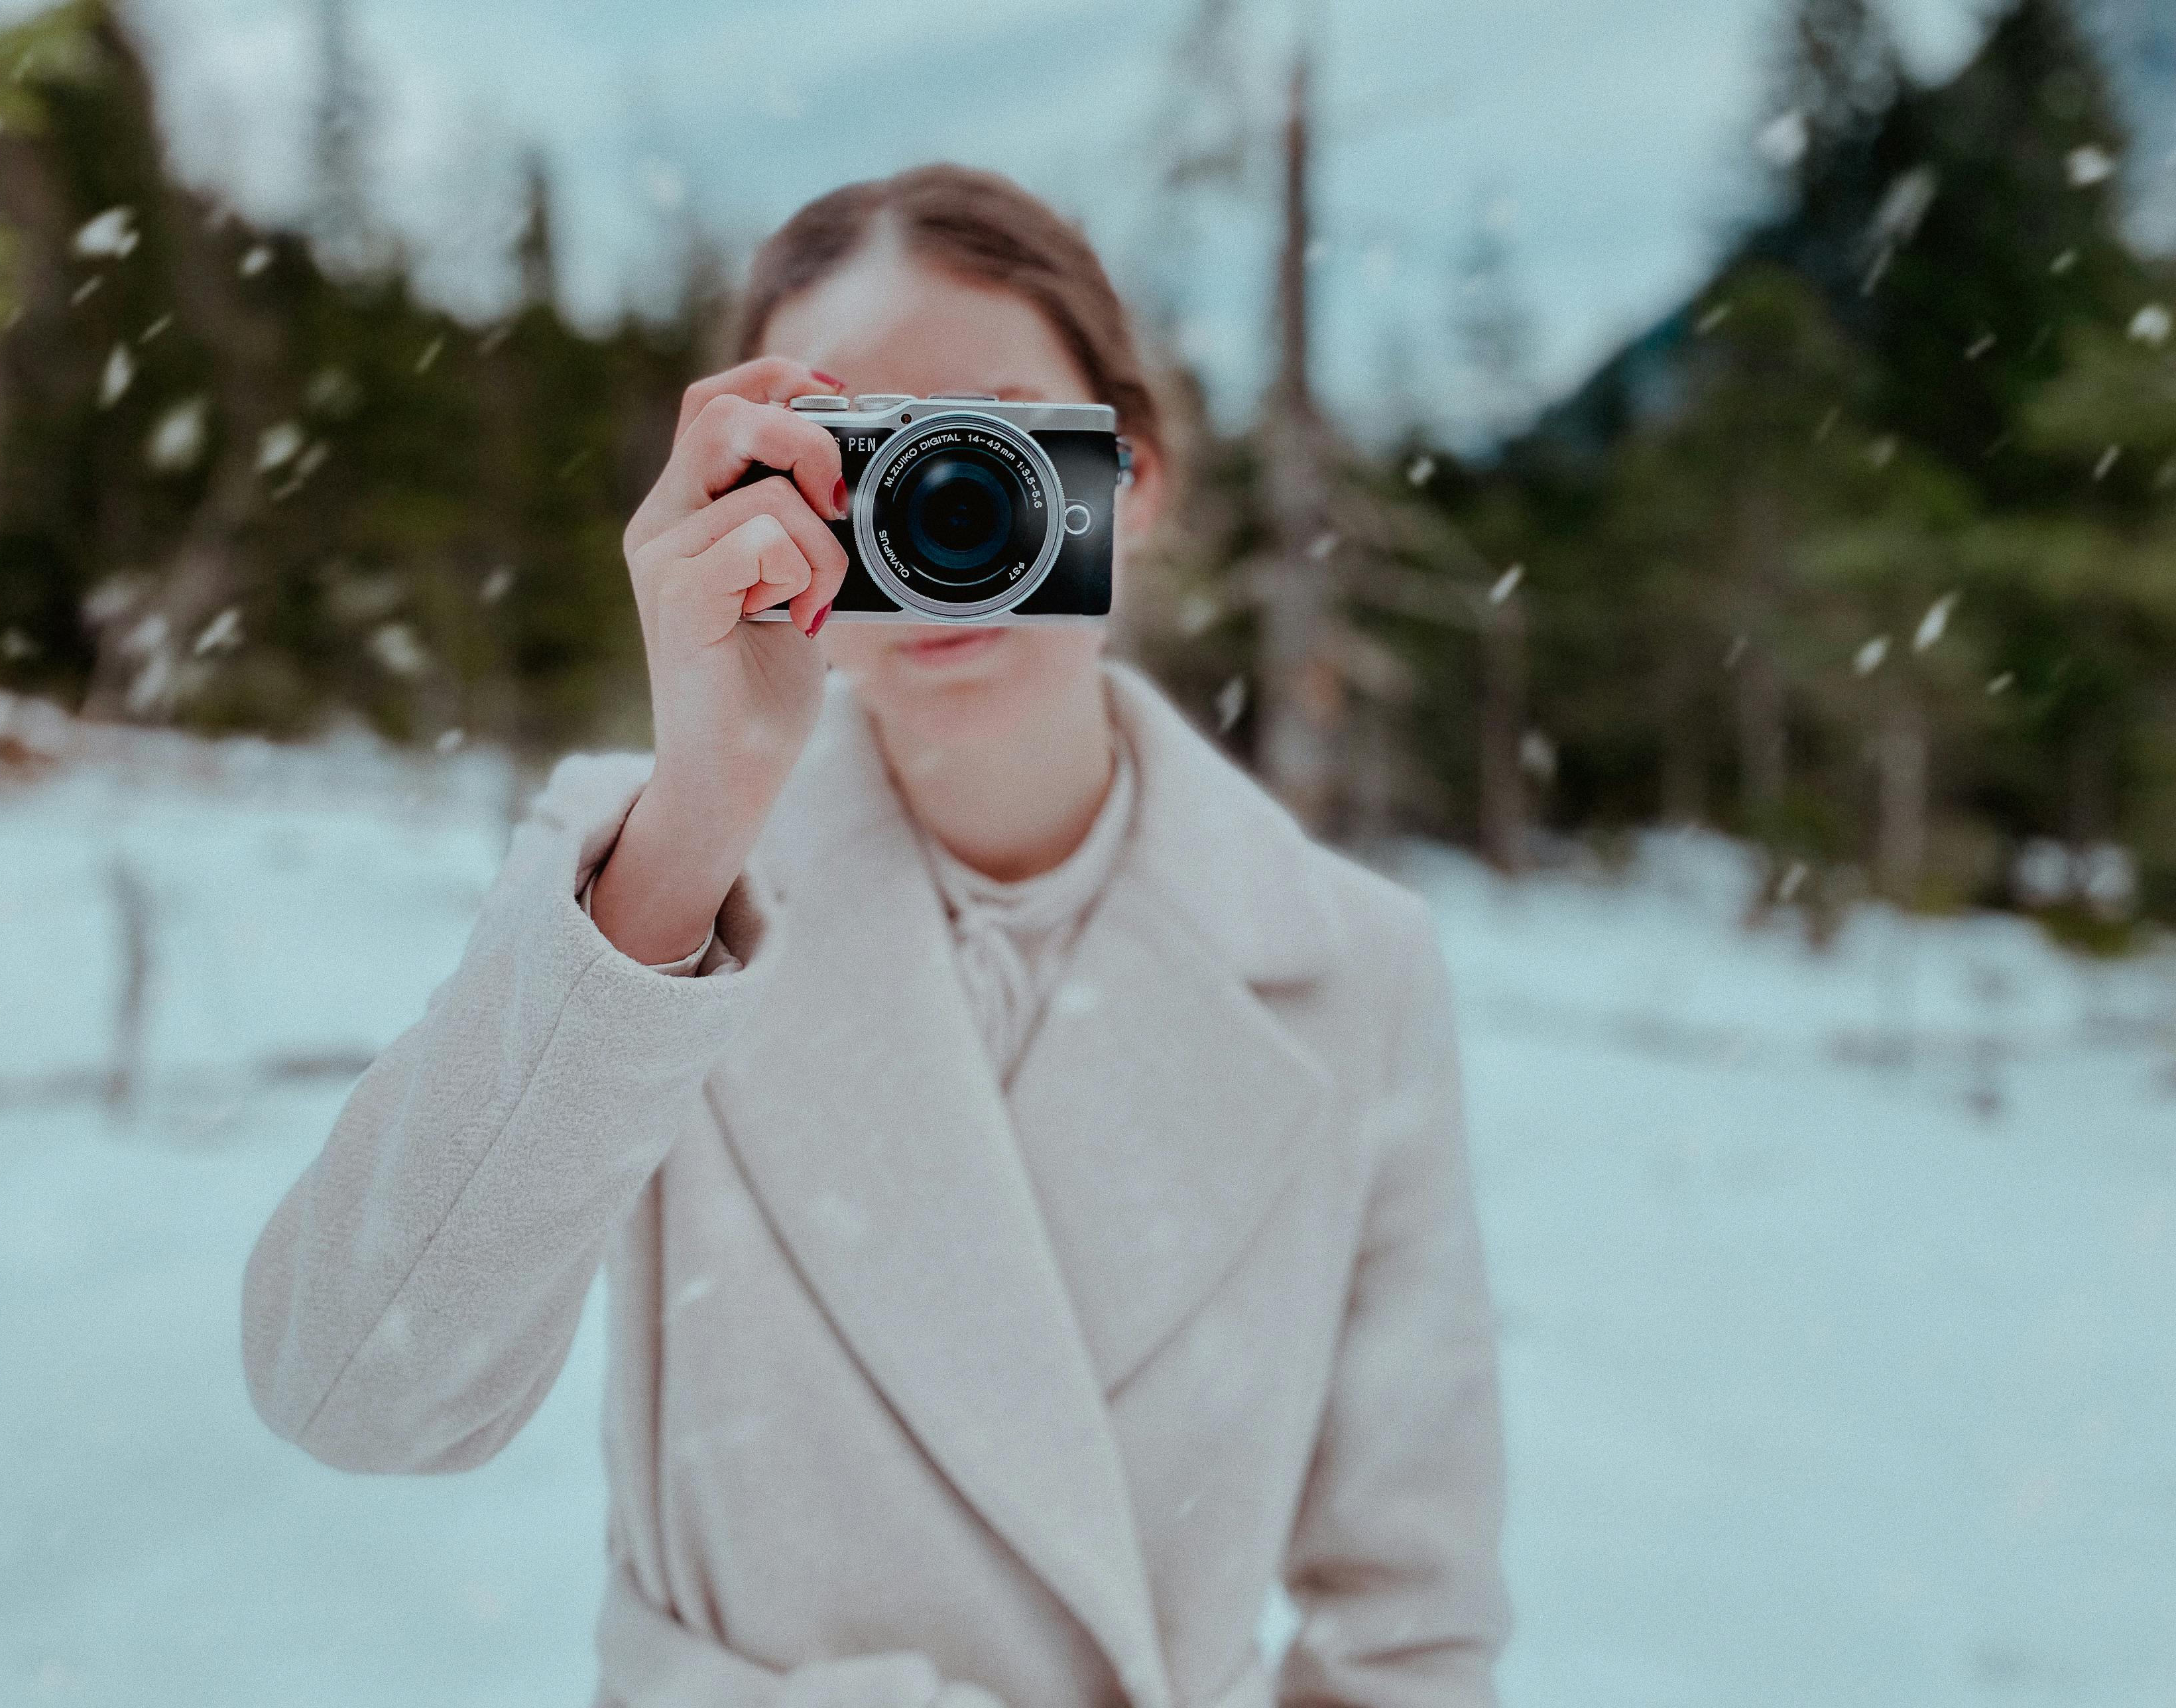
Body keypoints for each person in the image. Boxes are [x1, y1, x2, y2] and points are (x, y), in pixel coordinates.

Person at [239, 164, 1510, 1708]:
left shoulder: (1353, 966)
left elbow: (1413, 1621)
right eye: (867, 457)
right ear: (754, 498)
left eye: (992, 439)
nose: (943, 505)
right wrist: (701, 810)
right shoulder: (645, 872)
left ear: (1139, 478)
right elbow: (355, 1393)